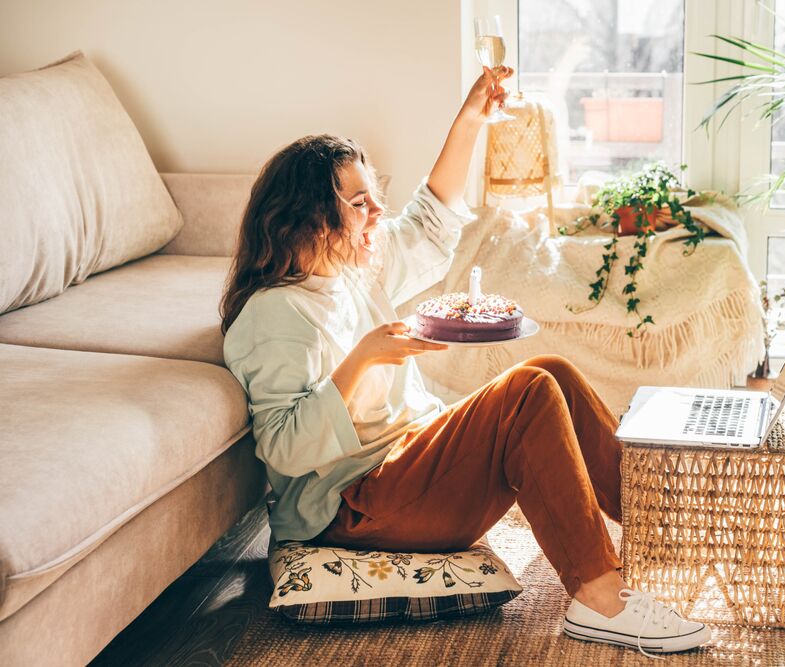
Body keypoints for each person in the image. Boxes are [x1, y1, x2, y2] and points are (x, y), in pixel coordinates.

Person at [220, 66, 711, 655]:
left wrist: (471, 120)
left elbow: (429, 222)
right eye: (359, 203)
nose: (378, 212)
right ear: (308, 220)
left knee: (550, 371)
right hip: (354, 506)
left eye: (375, 197)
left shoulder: (348, 271)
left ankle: (662, 527)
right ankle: (598, 597)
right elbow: (283, 448)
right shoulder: (274, 316)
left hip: (406, 470)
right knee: (528, 392)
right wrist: (363, 360)